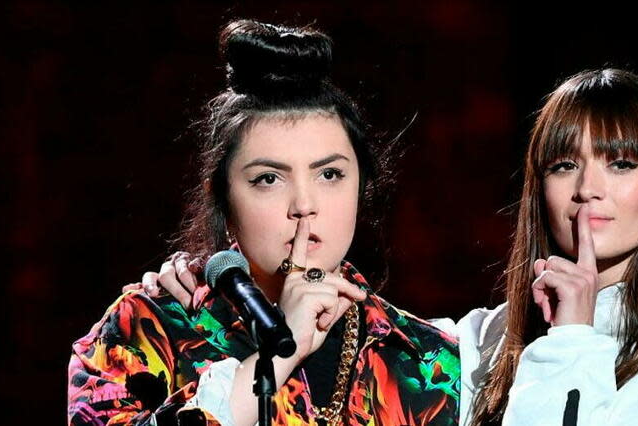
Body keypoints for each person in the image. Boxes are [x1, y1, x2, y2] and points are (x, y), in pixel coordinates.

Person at [148, 68, 638, 425]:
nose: (588, 192)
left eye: (622, 164)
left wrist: (573, 345)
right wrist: (232, 296)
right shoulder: (502, 336)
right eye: (564, 166)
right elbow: (404, 352)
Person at [66, 20, 460, 426]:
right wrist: (275, 357)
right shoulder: (149, 330)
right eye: (268, 179)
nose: (305, 206)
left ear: (362, 187)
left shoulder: (425, 360)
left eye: (330, 175)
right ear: (222, 199)